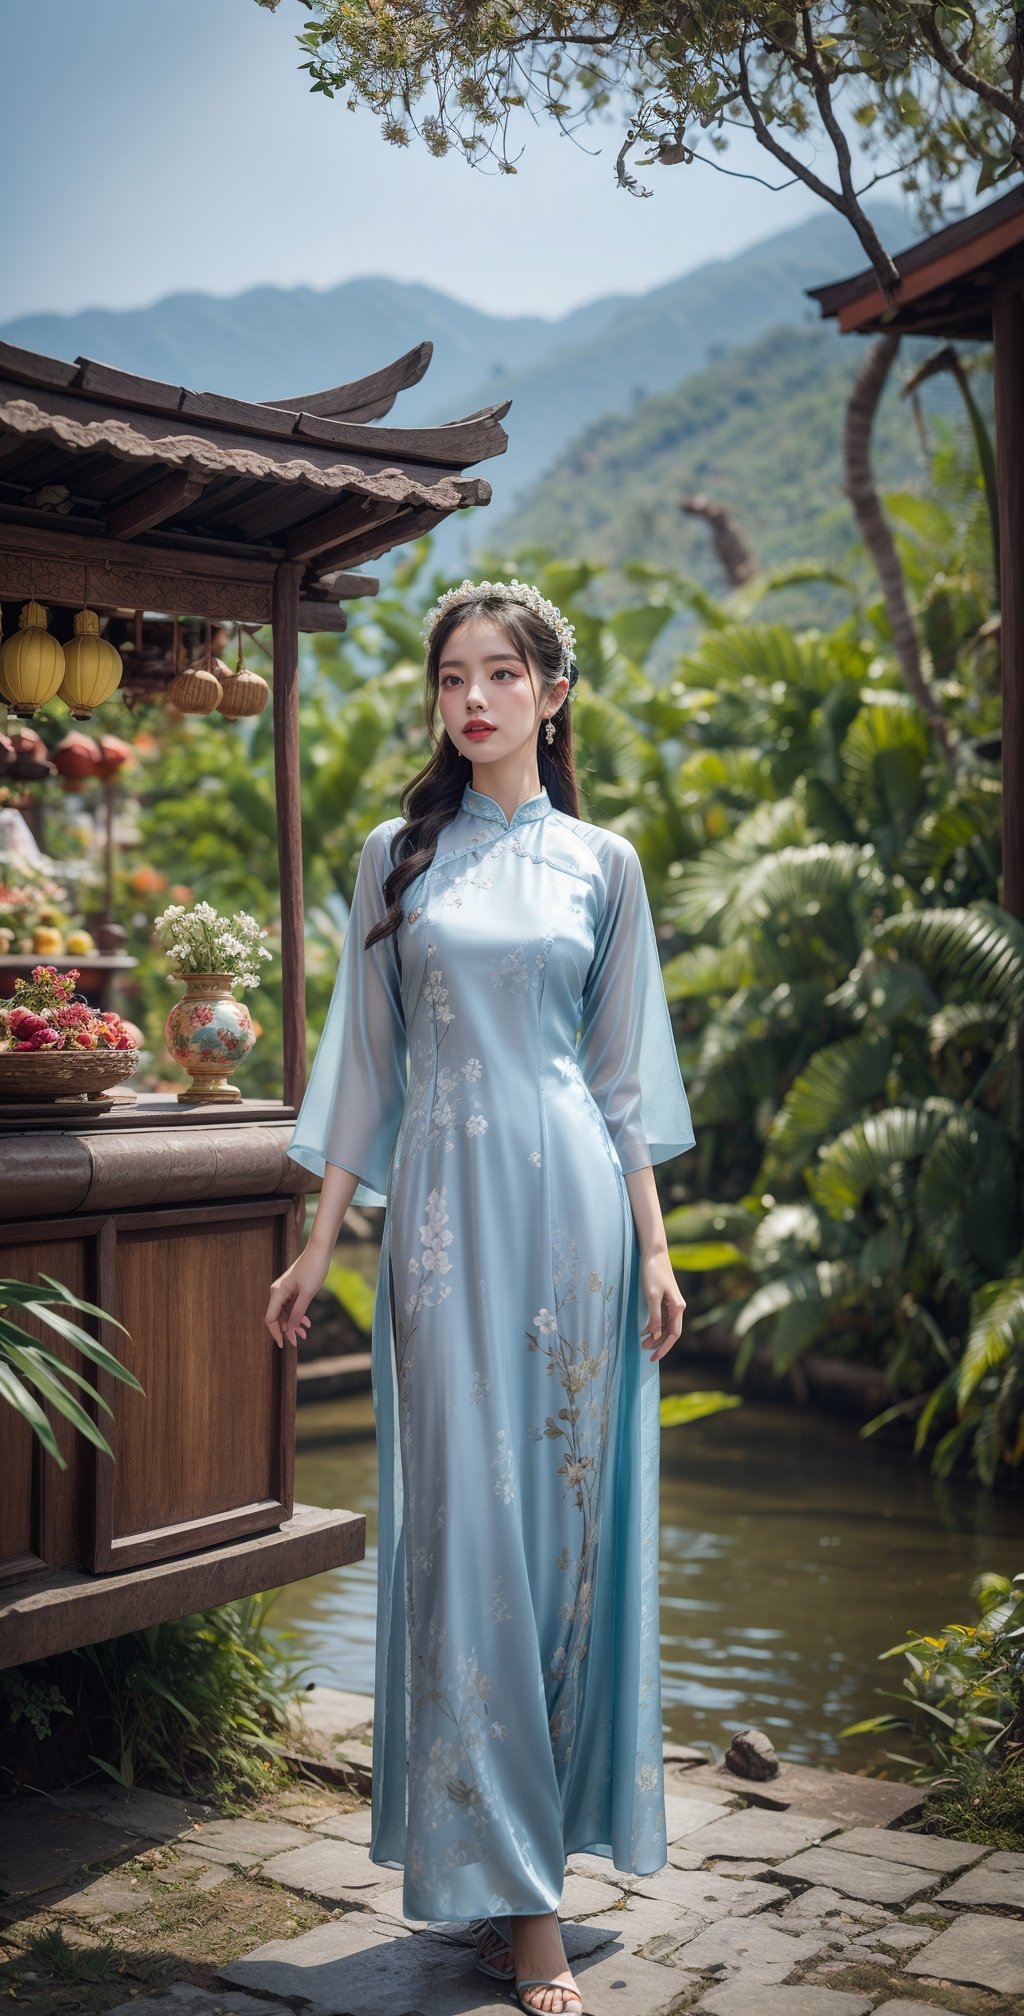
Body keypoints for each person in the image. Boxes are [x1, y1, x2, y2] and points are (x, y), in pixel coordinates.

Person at [264, 579, 695, 2016]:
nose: (475, 698)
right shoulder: (400, 856)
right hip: (441, 1237)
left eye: (503, 673)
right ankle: (511, 1894)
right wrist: (319, 1247)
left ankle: (538, 1872)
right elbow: (366, 1068)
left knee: (566, 1536)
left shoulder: (604, 864)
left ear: (551, 693)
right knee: (467, 1537)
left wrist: (655, 1247)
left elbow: (623, 1081)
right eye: (455, 675)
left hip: (577, 1219)